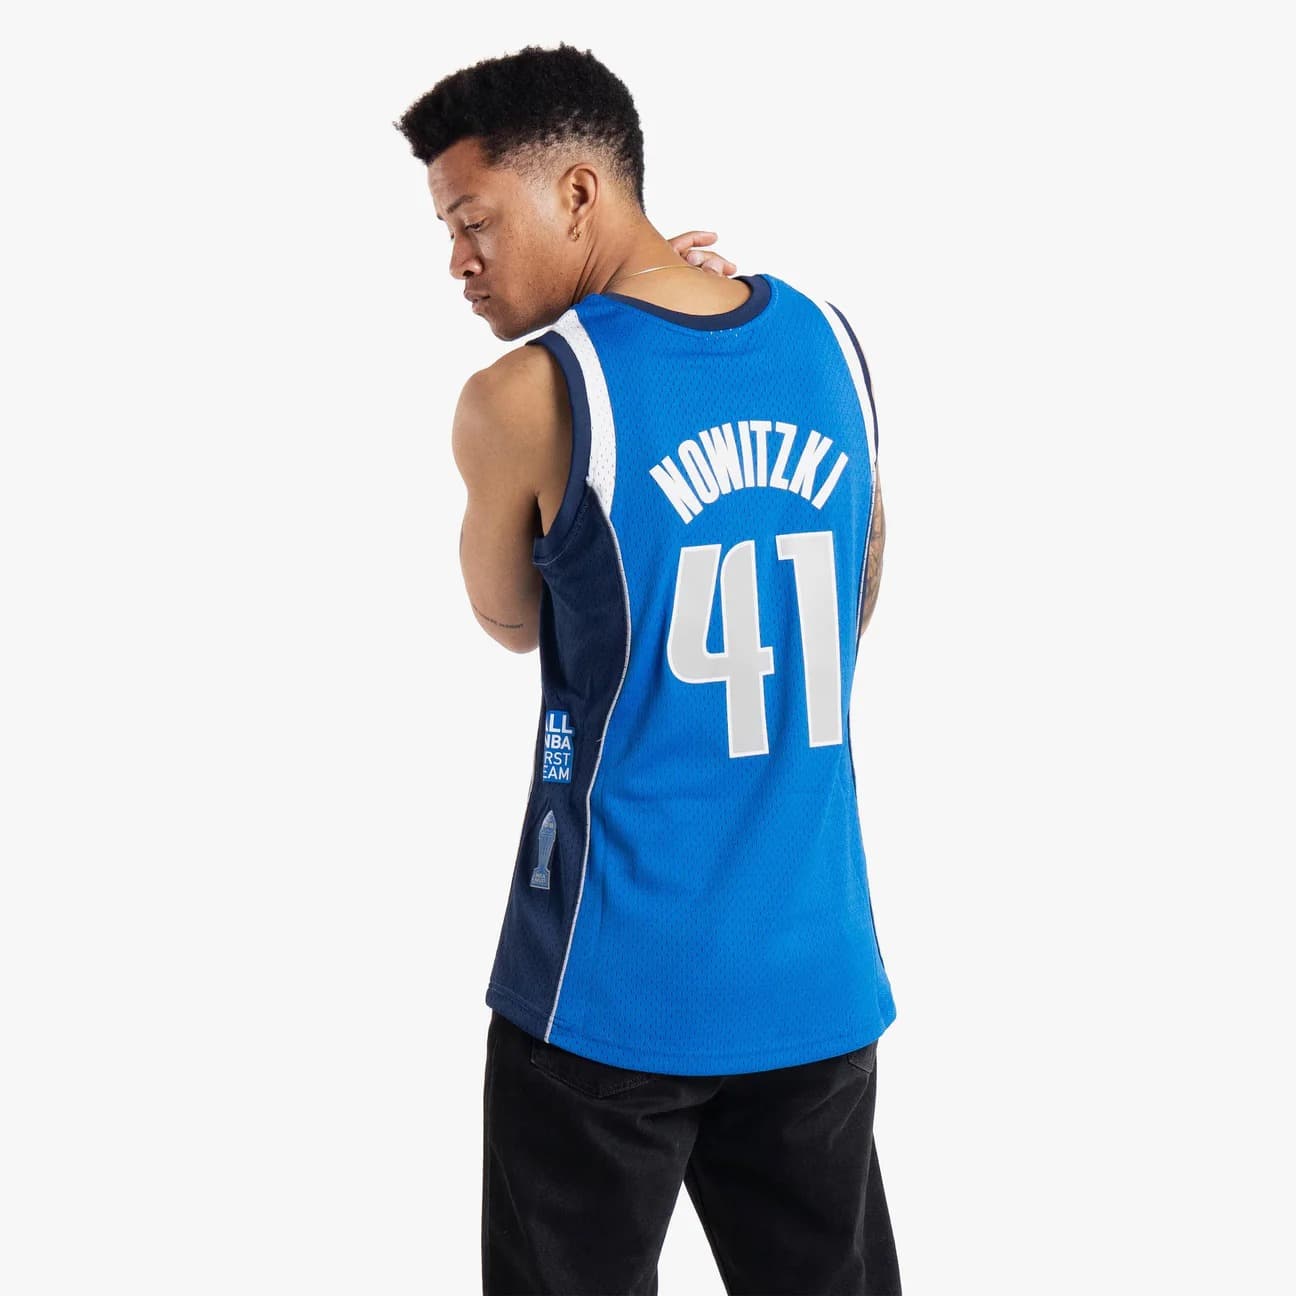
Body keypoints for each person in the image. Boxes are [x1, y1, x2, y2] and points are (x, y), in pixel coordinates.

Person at [394, 41, 900, 1296]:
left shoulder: (522, 399)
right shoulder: (830, 342)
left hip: (607, 990)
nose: (457, 260)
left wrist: (605, 346)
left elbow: (512, 619)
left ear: (577, 192)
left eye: (472, 220)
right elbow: (857, 585)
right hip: (812, 976)